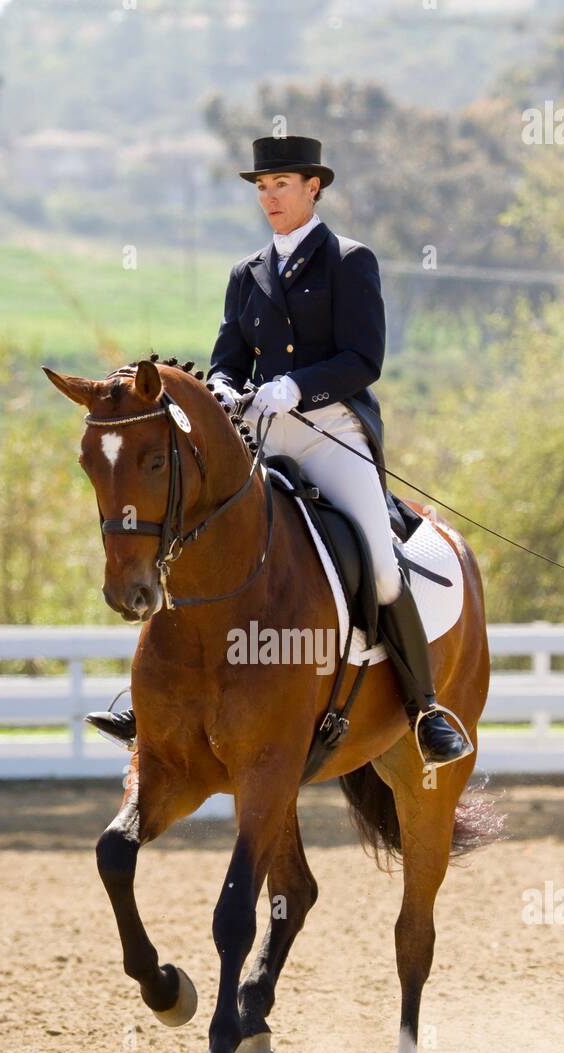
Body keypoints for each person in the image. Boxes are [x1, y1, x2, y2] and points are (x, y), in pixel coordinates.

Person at [86, 134, 468, 769]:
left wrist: (296, 385)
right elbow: (227, 359)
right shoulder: (247, 274)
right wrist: (229, 390)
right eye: (262, 188)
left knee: (377, 561)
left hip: (331, 432)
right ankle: (146, 698)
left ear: (312, 188)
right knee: (191, 540)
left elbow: (364, 357)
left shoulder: (350, 260)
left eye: (281, 186)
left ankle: (424, 709)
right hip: (259, 432)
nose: (270, 198)